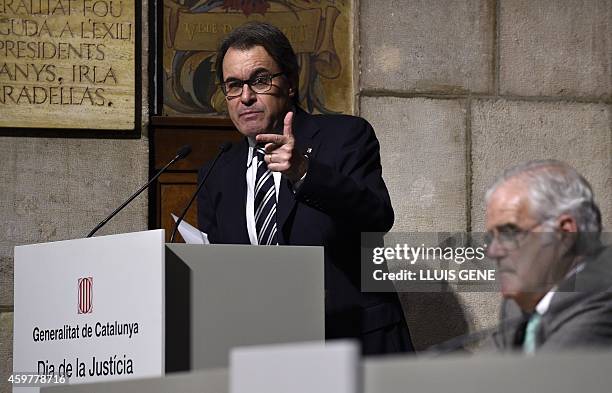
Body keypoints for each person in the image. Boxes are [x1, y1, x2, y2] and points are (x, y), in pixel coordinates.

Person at [196, 21, 413, 355]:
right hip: (266, 348)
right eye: (233, 85)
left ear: (291, 83)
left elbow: (376, 215)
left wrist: (303, 171)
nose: (246, 97)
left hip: (352, 341)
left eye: (260, 80)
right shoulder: (217, 173)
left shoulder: (345, 137)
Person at [484, 159, 612, 353]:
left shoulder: (603, 299)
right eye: (491, 238)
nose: (493, 251)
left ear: (565, 233)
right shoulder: (519, 301)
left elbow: (541, 381)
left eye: (509, 233)